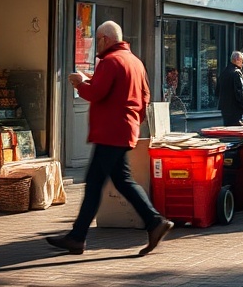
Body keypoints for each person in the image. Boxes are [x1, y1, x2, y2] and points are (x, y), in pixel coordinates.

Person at [46, 21, 174, 256]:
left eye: (99, 40)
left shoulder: (110, 61)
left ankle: (77, 237)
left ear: (105, 39)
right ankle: (154, 222)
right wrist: (136, 120)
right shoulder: (135, 62)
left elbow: (97, 93)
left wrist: (80, 84)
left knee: (94, 184)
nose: (98, 45)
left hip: (109, 131)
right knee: (122, 180)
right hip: (124, 130)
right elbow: (144, 96)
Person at [217, 50, 243, 125]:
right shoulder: (237, 73)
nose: (242, 64)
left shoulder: (224, 72)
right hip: (236, 109)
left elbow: (217, 90)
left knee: (228, 131)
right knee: (237, 131)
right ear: (238, 60)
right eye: (242, 61)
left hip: (225, 109)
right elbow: (241, 93)